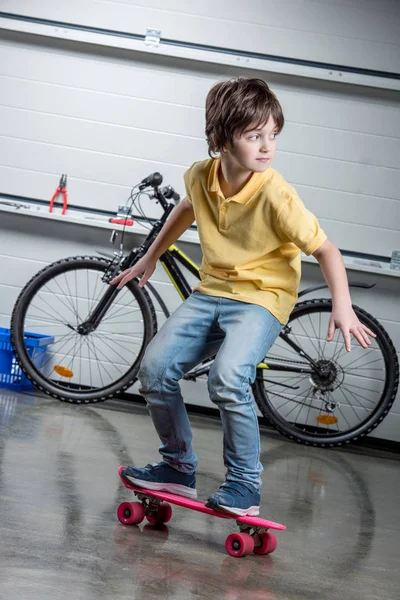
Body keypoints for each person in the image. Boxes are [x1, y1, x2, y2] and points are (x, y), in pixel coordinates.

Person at [111, 77, 374, 517]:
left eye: (273, 135)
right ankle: (177, 467)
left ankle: (244, 485)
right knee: (155, 370)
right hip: (211, 291)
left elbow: (326, 249)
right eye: (255, 136)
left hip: (262, 299)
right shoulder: (199, 175)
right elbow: (186, 208)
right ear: (221, 140)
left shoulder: (276, 194)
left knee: (228, 377)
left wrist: (342, 305)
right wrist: (151, 257)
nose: (267, 146)